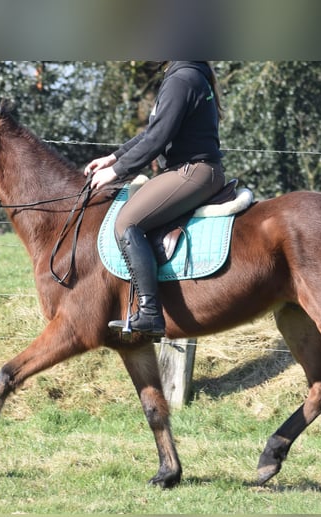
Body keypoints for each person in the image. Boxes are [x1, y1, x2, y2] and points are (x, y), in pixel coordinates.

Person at [85, 61, 225, 337]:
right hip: (191, 170)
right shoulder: (185, 73)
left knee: (126, 222)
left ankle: (150, 313)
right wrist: (114, 157)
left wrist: (116, 171)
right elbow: (154, 130)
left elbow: (158, 138)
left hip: (191, 171)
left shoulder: (182, 78)